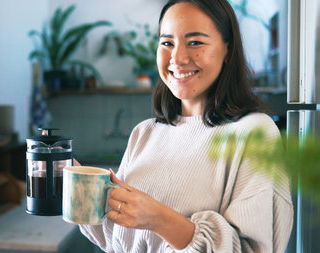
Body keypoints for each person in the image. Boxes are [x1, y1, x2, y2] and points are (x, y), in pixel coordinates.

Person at [77, 0, 294, 252]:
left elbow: (250, 249)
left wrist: (159, 218)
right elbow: (116, 239)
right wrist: (76, 186)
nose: (177, 58)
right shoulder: (144, 133)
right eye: (167, 43)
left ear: (227, 49)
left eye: (195, 42)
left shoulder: (255, 132)